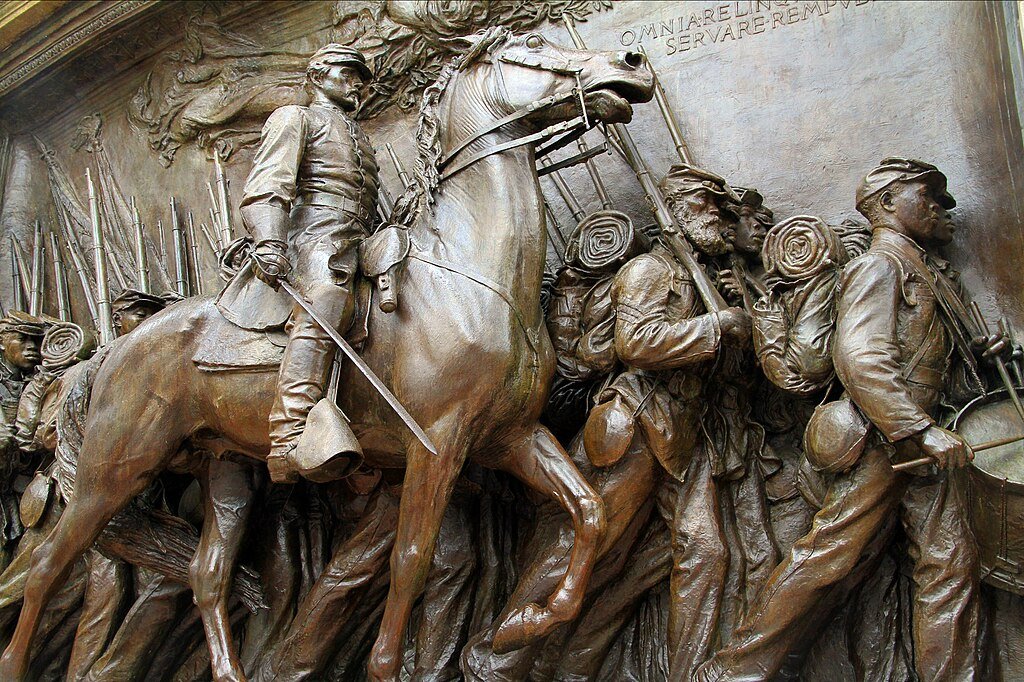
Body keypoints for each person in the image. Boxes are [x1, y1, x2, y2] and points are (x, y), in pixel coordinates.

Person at [695, 158, 1011, 682]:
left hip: (921, 445)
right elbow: (860, 358)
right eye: (925, 195)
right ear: (886, 204)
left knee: (947, 563)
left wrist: (978, 352)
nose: (939, 206)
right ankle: (733, 670)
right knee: (829, 558)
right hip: (887, 442)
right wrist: (917, 428)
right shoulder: (879, 266)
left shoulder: (922, 268)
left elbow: (924, 352)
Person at [238, 43, 379, 483]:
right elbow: (267, 186)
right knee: (326, 299)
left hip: (360, 237)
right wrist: (268, 241)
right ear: (318, 76)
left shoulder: (360, 137)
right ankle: (290, 433)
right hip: (313, 237)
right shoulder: (294, 118)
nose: (357, 84)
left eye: (361, 78)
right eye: (348, 74)